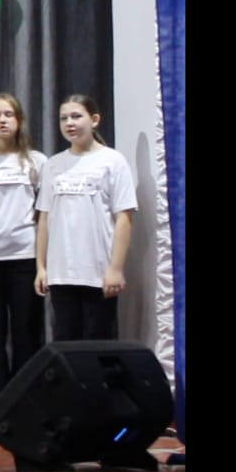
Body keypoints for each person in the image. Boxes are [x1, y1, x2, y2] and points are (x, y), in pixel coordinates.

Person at [35, 94, 136, 341]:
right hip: (61, 274)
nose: (69, 123)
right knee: (66, 343)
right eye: (64, 118)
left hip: (98, 273)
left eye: (76, 116)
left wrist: (116, 269)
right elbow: (45, 219)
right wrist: (41, 267)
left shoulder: (113, 161)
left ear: (95, 120)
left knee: (98, 343)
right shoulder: (53, 165)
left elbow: (124, 218)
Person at [0, 93, 49, 414]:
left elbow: (44, 214)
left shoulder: (36, 161)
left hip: (25, 257)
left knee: (26, 334)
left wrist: (43, 264)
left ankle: (26, 404)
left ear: (19, 121)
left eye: (9, 115)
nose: (3, 120)